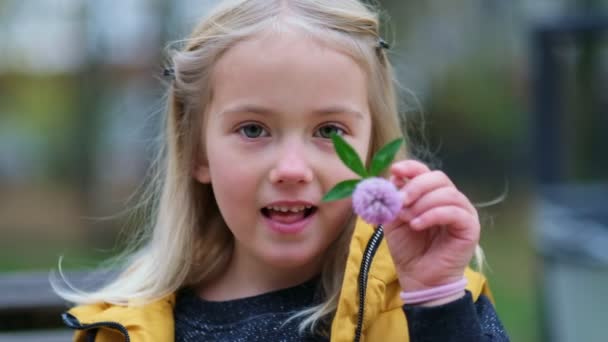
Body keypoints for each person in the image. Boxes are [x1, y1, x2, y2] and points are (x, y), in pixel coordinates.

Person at [53, 0, 509, 341]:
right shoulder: (124, 328)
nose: (292, 169)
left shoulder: (434, 300)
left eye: (329, 130)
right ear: (197, 151)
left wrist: (435, 302)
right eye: (253, 129)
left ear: (374, 151)